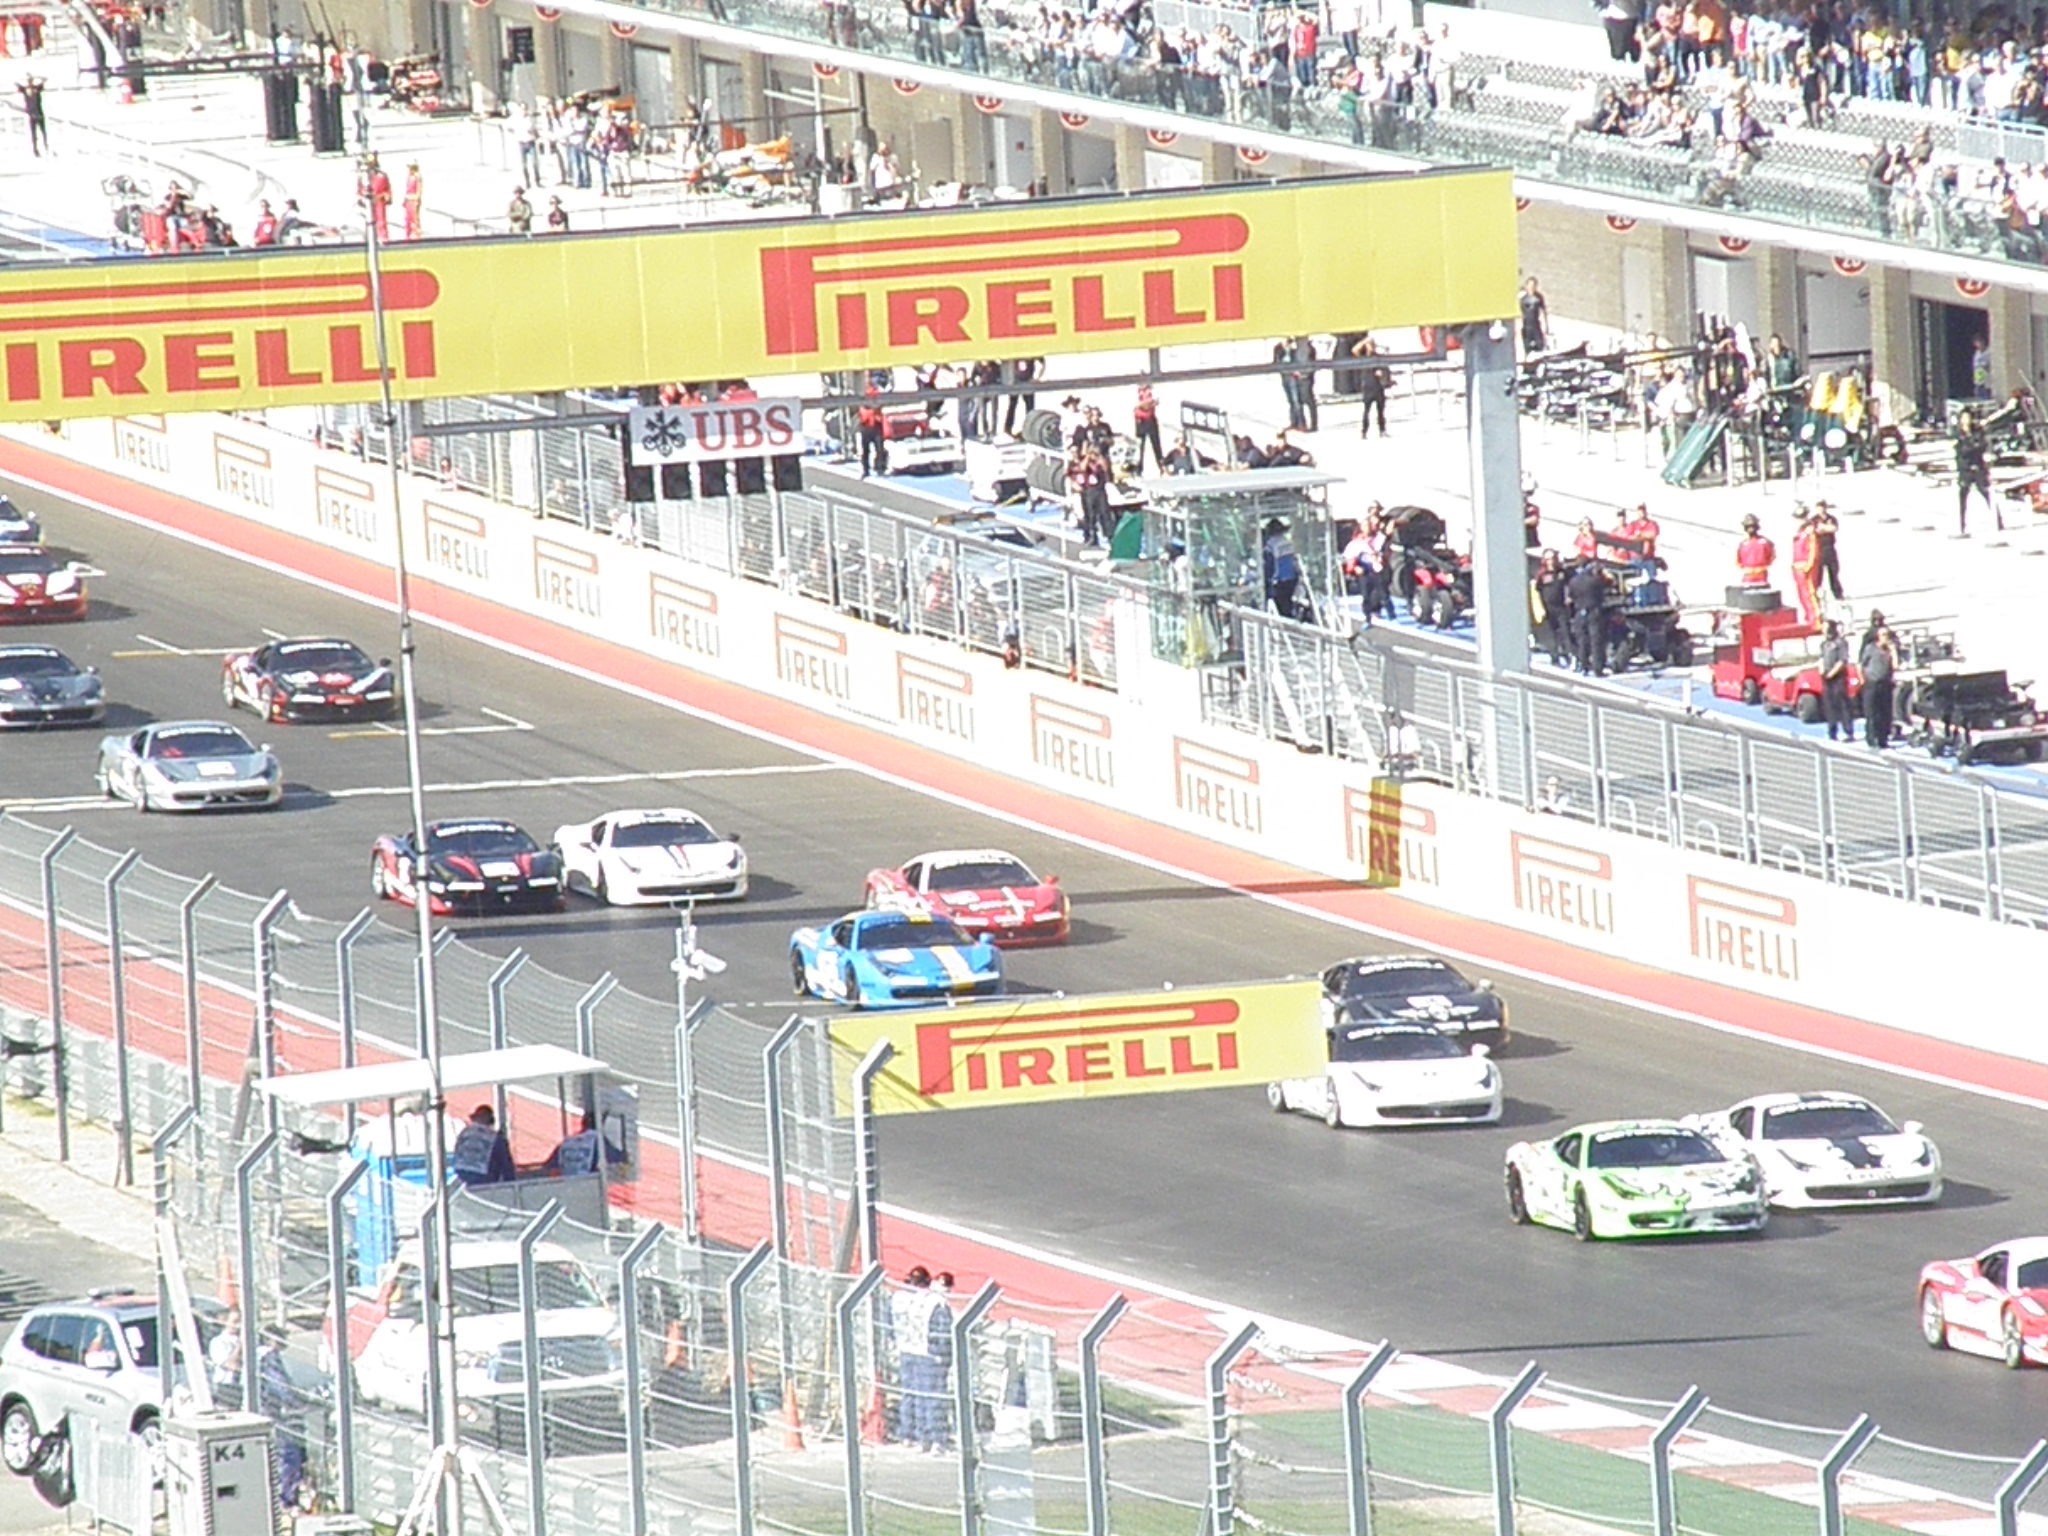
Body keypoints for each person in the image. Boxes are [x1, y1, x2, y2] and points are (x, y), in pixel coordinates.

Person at [892, 1266, 941, 1450]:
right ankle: (931, 1438)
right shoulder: (933, 1302)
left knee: (908, 1394)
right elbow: (941, 1331)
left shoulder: (898, 1299)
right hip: (927, 1352)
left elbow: (889, 1323)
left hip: (905, 1349)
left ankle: (908, 1434)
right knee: (929, 1397)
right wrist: (942, 1354)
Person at [1564, 556, 1609, 676]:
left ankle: (1583, 666)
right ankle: (1598, 668)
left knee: (1582, 640)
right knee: (1596, 640)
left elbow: (1571, 597)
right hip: (1594, 611)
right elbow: (1602, 593)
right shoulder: (1595, 581)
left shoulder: (1573, 581)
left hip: (1579, 611)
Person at [451, 1103, 516, 1185]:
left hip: (461, 1175)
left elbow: (457, 1152)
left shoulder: (464, 1133)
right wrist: (511, 1185)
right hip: (483, 1178)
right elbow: (506, 1166)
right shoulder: (494, 1137)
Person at [1954, 407, 1996, 535]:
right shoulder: (1958, 433)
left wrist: (1972, 447)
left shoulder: (1977, 431)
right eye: (1964, 418)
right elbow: (1961, 451)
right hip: (1965, 469)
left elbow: (1982, 446)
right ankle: (1961, 524)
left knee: (1986, 493)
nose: (1966, 420)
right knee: (1963, 496)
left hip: (1978, 466)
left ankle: (1997, 520)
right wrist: (1972, 447)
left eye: (1968, 418)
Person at [1859, 622, 1897, 749]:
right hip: (1872, 683)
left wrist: (1893, 651)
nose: (1886, 638)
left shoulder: (1888, 651)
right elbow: (1861, 664)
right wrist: (1862, 679)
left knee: (1884, 713)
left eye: (1887, 635)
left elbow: (1895, 666)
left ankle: (1883, 738)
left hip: (1885, 683)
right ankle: (1871, 737)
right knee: (1871, 712)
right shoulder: (1870, 648)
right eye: (1883, 635)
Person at [1530, 548, 1569, 666]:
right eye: (1548, 559)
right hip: (1548, 608)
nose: (1551, 561)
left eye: (1553, 558)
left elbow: (1568, 585)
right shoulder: (1542, 574)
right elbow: (1536, 590)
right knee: (1552, 634)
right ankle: (1555, 657)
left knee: (1565, 632)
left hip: (1561, 607)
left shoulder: (1562, 572)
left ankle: (1568, 655)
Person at [1819, 619, 1853, 741]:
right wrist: (1822, 670)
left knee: (1842, 704)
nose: (1824, 630)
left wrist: (1832, 673)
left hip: (1838, 677)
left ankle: (1848, 731)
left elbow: (1842, 660)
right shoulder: (1824, 644)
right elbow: (1821, 658)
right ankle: (1832, 731)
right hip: (1826, 677)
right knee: (1829, 705)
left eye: (1826, 627)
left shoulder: (1840, 642)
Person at [1789, 507, 1821, 628]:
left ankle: (1816, 620)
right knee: (1802, 594)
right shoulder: (1799, 533)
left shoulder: (1809, 532)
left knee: (1810, 594)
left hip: (1806, 568)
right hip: (1798, 567)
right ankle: (1808, 618)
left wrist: (1808, 566)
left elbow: (1813, 551)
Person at [1263, 517, 1301, 617]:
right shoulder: (1288, 542)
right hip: (1292, 578)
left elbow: (1269, 566)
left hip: (1279, 580)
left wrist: (1268, 581)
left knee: (1280, 608)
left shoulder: (1270, 545)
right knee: (1288, 605)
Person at [1354, 338, 1390, 437]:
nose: (1371, 347)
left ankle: (1382, 430)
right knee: (1366, 411)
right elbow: (1354, 350)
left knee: (1381, 411)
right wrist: (1364, 341)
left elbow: (1385, 368)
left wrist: (1383, 375)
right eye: (1369, 345)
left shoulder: (1377, 357)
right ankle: (1364, 431)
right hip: (1367, 387)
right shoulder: (1363, 357)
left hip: (1378, 387)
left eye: (1372, 345)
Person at [547, 1111, 601, 1176]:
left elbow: (552, 1171)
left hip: (566, 1181)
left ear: (582, 1122)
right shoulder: (600, 1143)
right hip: (589, 1181)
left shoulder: (567, 1142)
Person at [1810, 500, 1844, 598]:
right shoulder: (1814, 519)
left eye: (1822, 507)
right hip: (1819, 549)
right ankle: (1816, 593)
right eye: (1819, 508)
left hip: (1830, 548)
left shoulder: (1831, 518)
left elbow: (1834, 528)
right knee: (1818, 575)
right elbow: (1815, 530)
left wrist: (1823, 527)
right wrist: (1825, 528)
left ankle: (1838, 594)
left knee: (1834, 573)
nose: (1821, 510)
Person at [1735, 512, 1774, 584]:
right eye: (1748, 526)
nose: (1751, 529)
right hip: (1748, 575)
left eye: (1752, 526)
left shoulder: (1765, 542)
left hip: (1761, 574)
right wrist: (1746, 569)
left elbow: (1772, 556)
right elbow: (1737, 560)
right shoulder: (1743, 544)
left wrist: (1762, 567)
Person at [360, 153, 391, 242]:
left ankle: (383, 238)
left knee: (381, 220)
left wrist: (387, 196)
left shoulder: (382, 175)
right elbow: (360, 188)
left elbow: (387, 188)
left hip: (379, 200)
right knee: (369, 221)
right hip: (368, 201)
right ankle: (370, 238)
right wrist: (360, 197)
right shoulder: (364, 176)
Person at [857, 387, 887, 477]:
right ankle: (866, 469)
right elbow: (863, 416)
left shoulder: (877, 405)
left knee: (879, 449)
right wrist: (872, 412)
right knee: (866, 450)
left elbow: (879, 417)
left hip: (876, 428)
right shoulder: (863, 406)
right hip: (866, 428)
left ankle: (880, 468)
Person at [1132, 384, 1163, 473]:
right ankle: (1138, 469)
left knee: (1156, 444)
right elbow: (1136, 407)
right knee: (1139, 446)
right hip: (1140, 421)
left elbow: (1155, 402)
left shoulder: (1152, 391)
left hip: (1150, 420)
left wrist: (1144, 405)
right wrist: (1146, 405)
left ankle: (1161, 467)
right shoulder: (1135, 392)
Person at [1518, 277, 1549, 355]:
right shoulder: (1522, 299)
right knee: (1527, 347)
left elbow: (1543, 312)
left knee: (1540, 345)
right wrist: (1518, 328)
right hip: (1526, 326)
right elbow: (1519, 314)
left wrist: (1545, 326)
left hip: (1536, 325)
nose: (1531, 288)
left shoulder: (1538, 298)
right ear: (1526, 286)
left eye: (1533, 286)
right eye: (1530, 286)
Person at [18, 76, 47, 156]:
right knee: (34, 134)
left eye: (31, 81)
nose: (30, 83)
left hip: (39, 114)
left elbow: (43, 83)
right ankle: (35, 149)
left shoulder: (35, 88)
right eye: (29, 81)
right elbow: (19, 87)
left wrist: (43, 80)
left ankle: (45, 146)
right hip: (32, 115)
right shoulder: (26, 89)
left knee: (43, 132)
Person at [402, 162, 423, 240]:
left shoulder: (417, 177)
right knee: (408, 219)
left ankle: (416, 235)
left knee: (414, 220)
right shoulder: (409, 178)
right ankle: (408, 235)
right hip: (408, 200)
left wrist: (417, 200)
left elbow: (419, 190)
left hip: (413, 200)